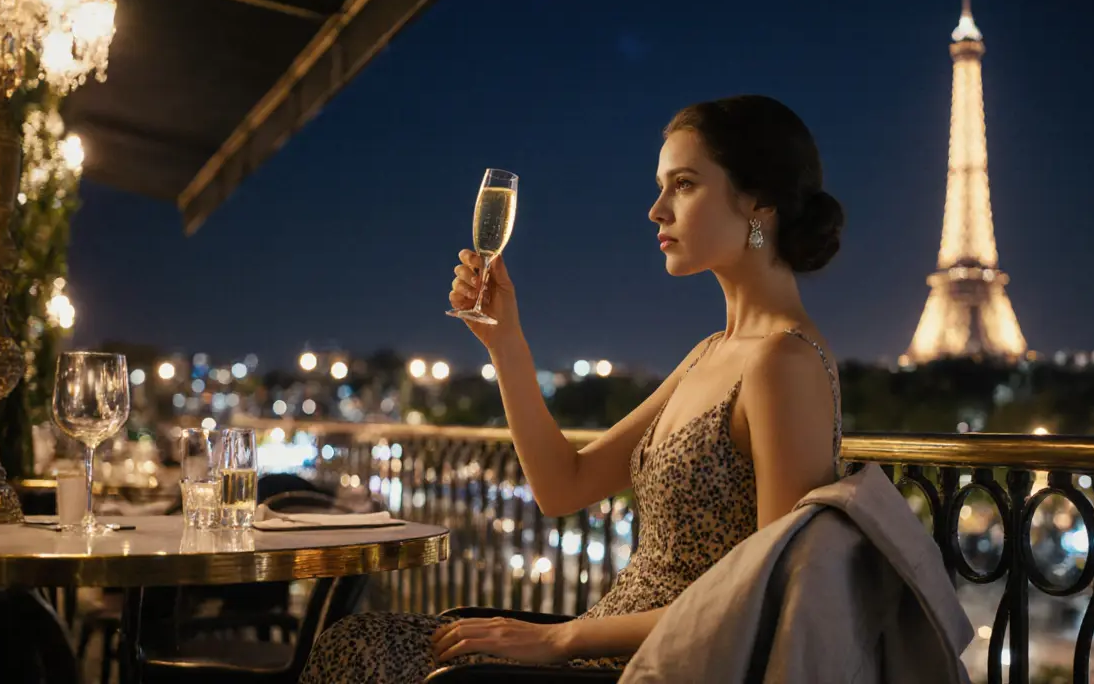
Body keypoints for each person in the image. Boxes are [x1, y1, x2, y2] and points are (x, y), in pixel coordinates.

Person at [299, 94, 846, 683]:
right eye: (661, 186)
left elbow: (768, 599)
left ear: (758, 203)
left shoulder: (783, 364)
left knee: (361, 654)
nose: (656, 210)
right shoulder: (713, 353)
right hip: (596, 649)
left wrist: (561, 638)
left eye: (683, 185)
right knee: (356, 640)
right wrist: (506, 344)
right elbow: (563, 486)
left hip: (651, 666)